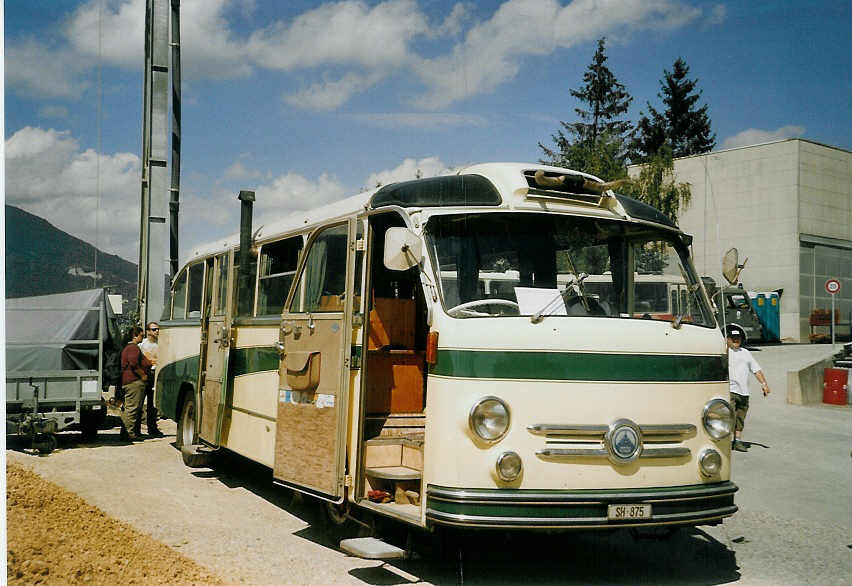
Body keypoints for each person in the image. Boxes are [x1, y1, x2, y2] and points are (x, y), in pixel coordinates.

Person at [726, 324, 770, 452]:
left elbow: (756, 370)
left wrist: (764, 385)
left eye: (738, 338)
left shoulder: (745, 353)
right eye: (733, 338)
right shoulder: (724, 352)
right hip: (730, 391)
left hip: (744, 392)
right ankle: (725, 441)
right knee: (729, 416)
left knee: (740, 417)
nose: (736, 340)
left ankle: (737, 441)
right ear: (727, 339)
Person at [120, 326, 152, 441]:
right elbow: (133, 363)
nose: (142, 338)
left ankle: (127, 432)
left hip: (130, 381)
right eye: (141, 336)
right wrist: (142, 375)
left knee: (130, 408)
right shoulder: (133, 348)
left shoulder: (129, 348)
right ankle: (129, 433)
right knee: (132, 408)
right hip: (134, 382)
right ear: (135, 335)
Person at [138, 321, 163, 437]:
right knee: (139, 402)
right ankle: (135, 429)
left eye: (158, 329)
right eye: (154, 329)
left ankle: (152, 428)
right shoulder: (142, 345)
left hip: (156, 374)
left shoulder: (161, 344)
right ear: (148, 331)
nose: (157, 331)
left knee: (152, 404)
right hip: (144, 374)